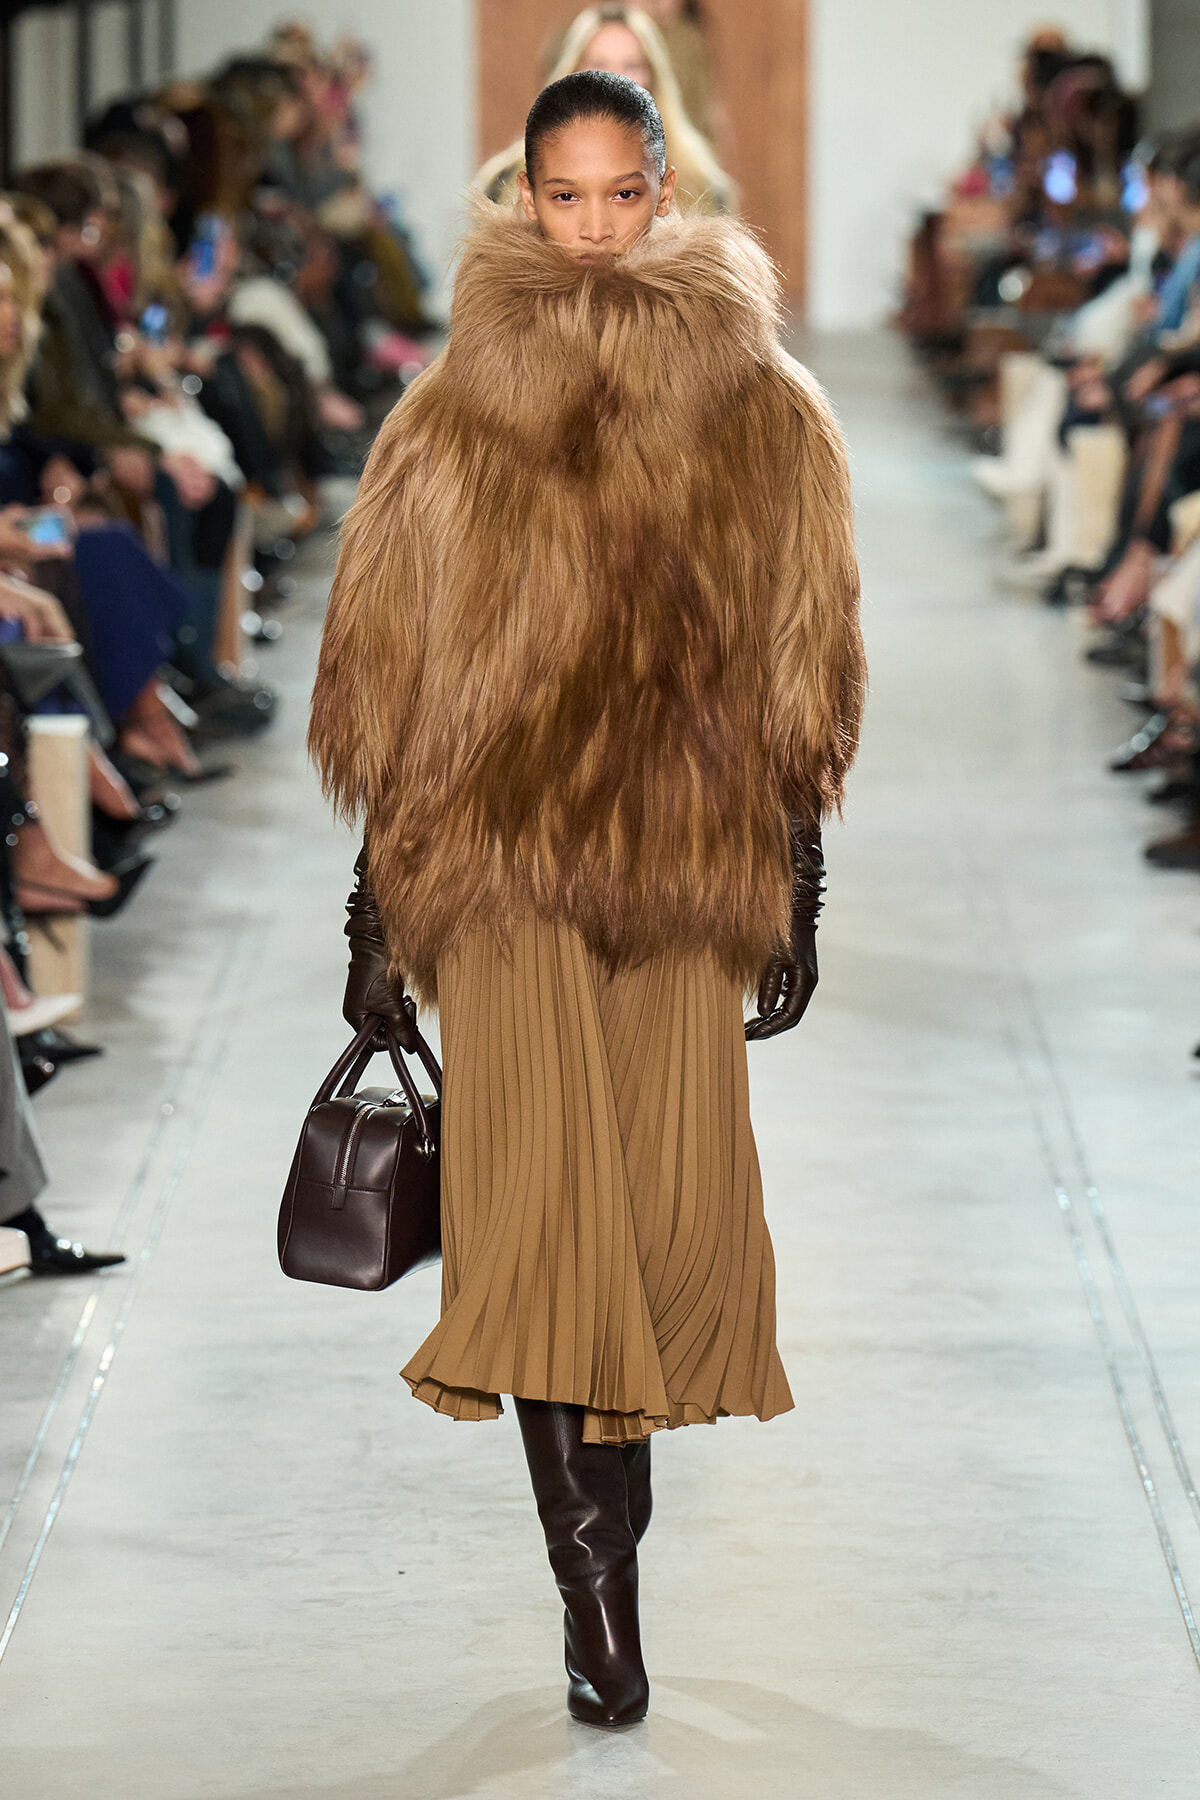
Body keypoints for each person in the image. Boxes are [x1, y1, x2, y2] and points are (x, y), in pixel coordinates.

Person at [310, 70, 864, 1730]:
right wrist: (373, 923)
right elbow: (388, 684)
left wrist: (801, 886)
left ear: (667, 194)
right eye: (570, 197)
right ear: (524, 198)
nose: (602, 226)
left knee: (666, 1228)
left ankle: (607, 1560)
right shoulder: (453, 410)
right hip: (500, 872)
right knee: (544, 1223)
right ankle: (596, 1601)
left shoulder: (761, 404)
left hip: (691, 872)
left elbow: (802, 666)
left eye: (629, 194)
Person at [478, 4, 733, 214]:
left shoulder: (703, 188)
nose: (615, 79)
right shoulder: (505, 182)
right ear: (573, 72)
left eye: (631, 65)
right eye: (599, 63)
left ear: (653, 78)